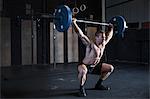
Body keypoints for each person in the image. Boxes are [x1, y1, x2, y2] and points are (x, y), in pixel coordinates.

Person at [72, 18, 114, 97]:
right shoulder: (90, 44)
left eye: (104, 37)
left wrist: (111, 28)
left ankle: (98, 84)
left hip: (95, 66)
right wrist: (74, 23)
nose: (104, 39)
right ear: (96, 37)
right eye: (102, 37)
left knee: (110, 68)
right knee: (83, 71)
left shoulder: (103, 44)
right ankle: (81, 89)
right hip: (85, 65)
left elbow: (109, 36)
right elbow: (80, 34)